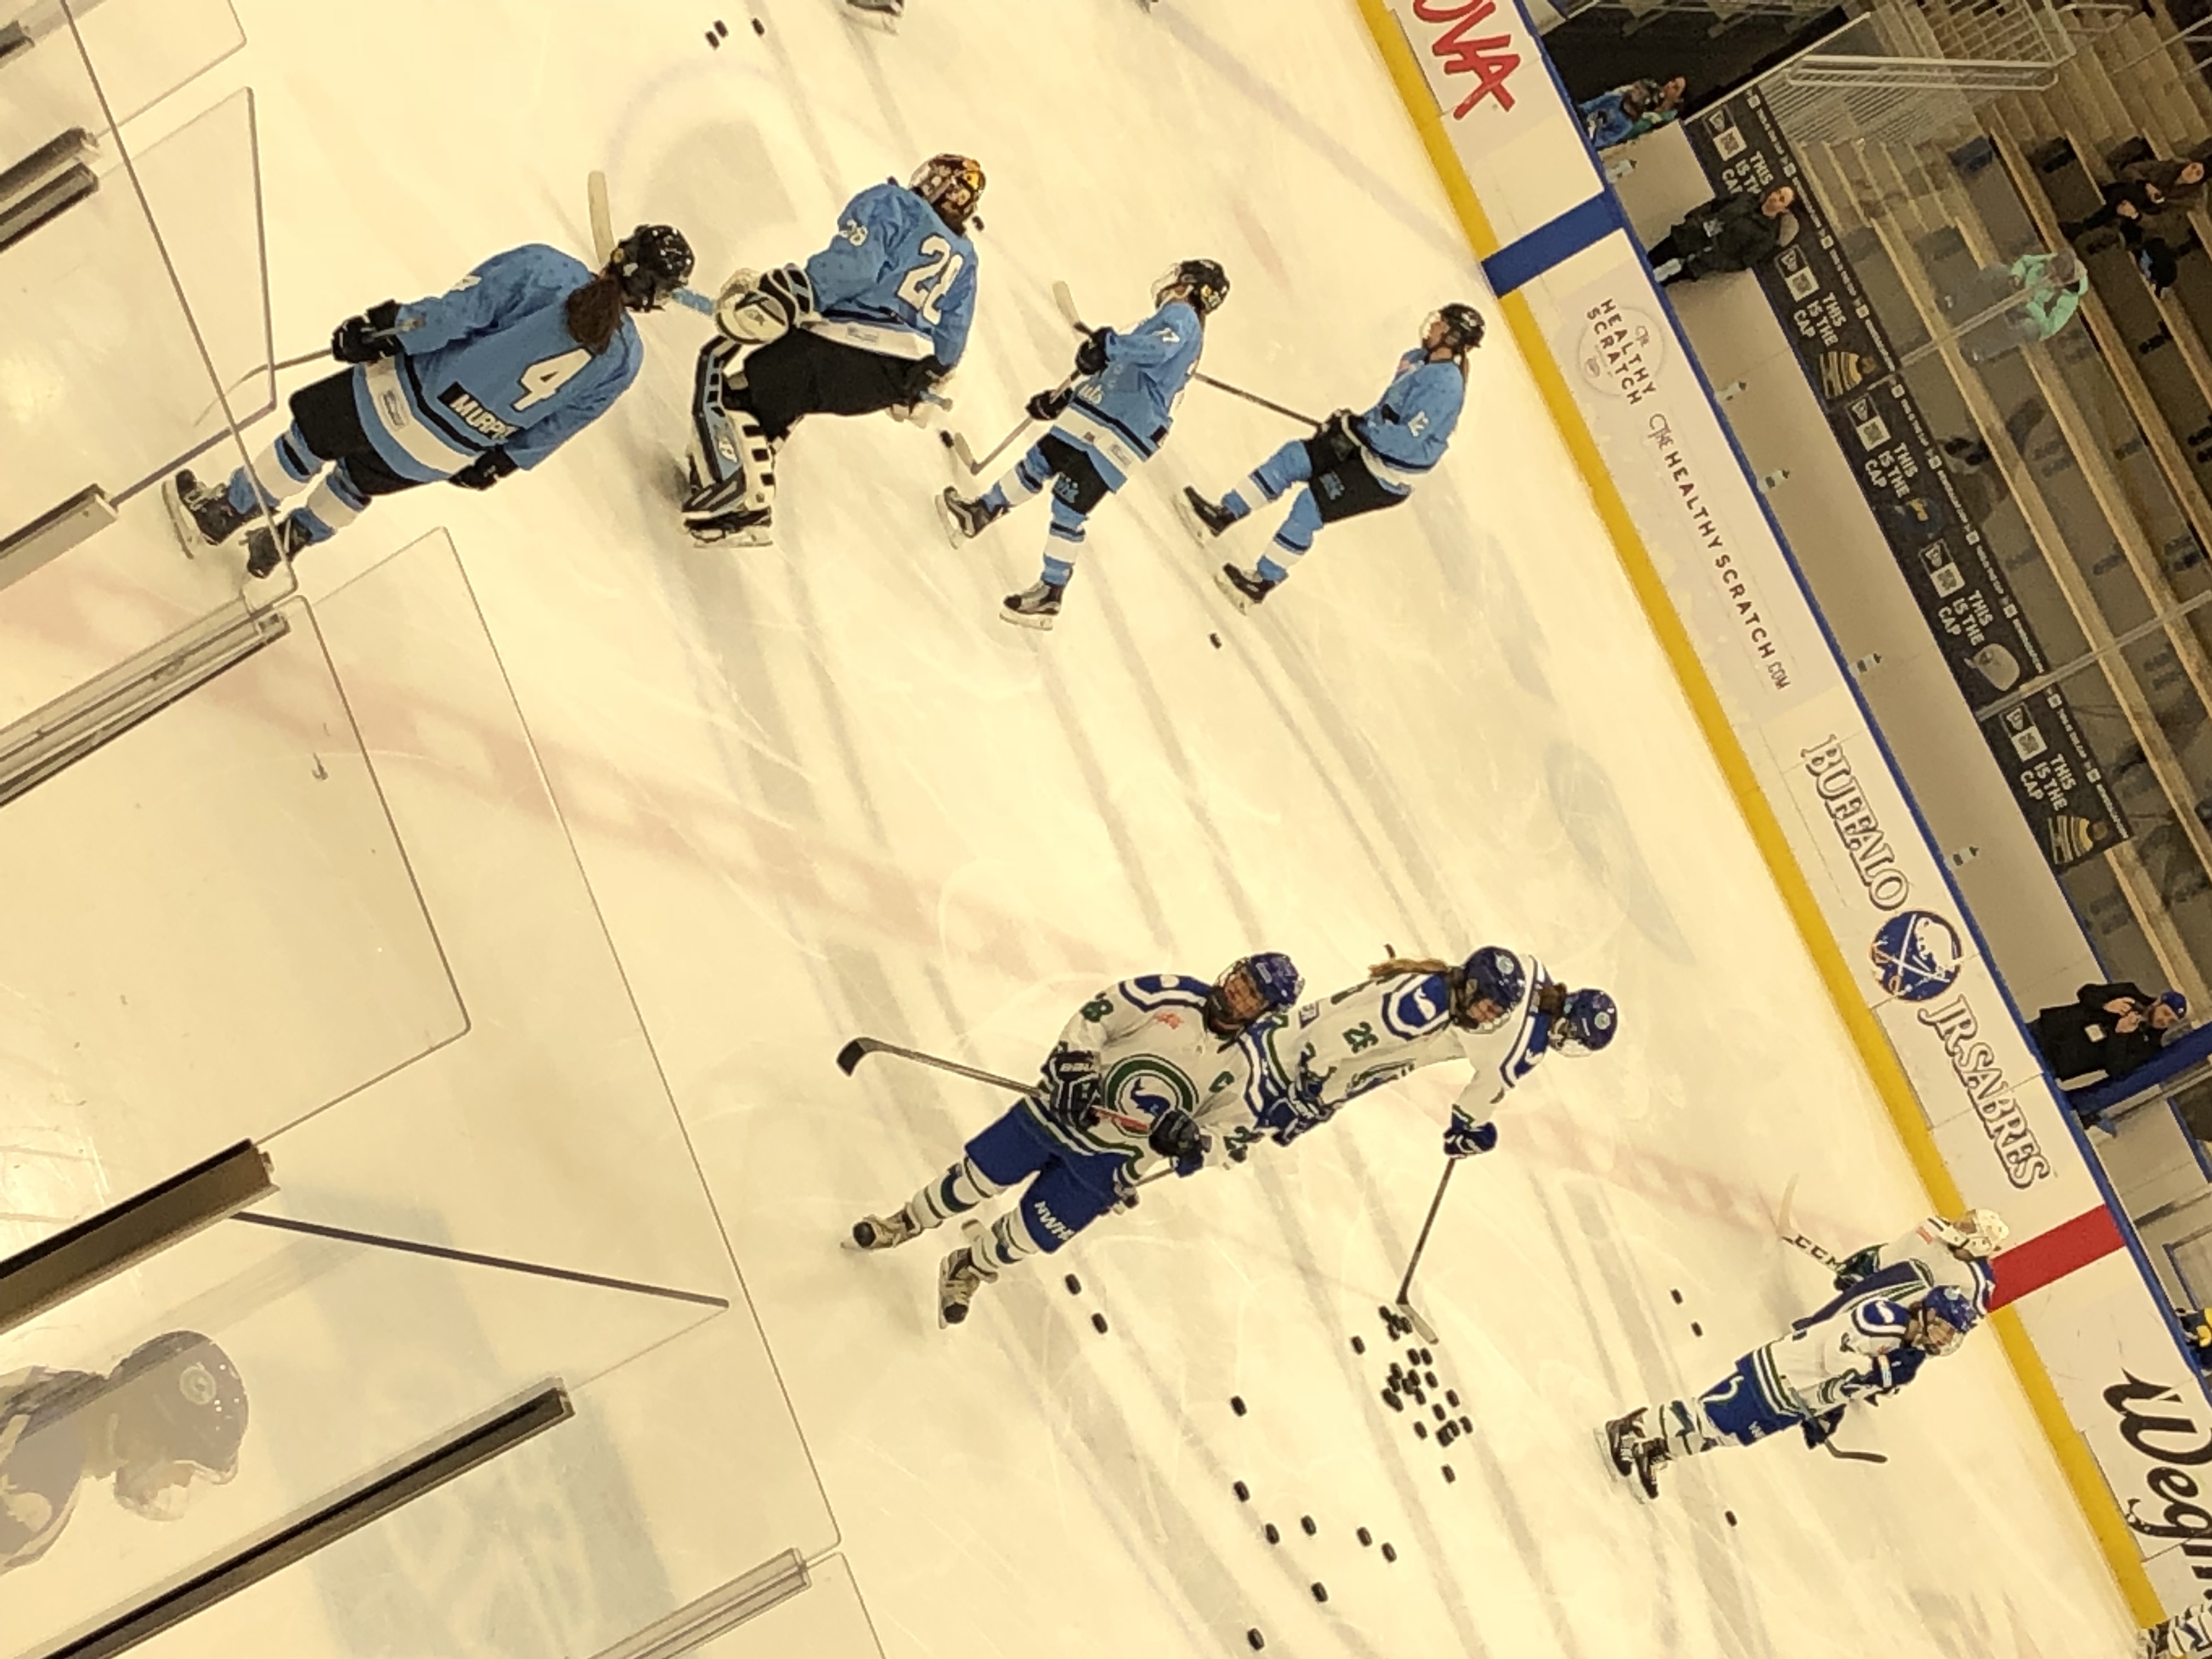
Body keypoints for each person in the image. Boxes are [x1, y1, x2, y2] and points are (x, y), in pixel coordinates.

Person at [164, 227, 695, 578]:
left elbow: (453, 316)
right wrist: (499, 463)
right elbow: (556, 426)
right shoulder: (625, 360)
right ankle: (283, 544)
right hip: (445, 453)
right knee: (356, 483)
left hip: (396, 396)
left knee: (306, 445)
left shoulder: (547, 269)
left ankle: (226, 510)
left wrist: (381, 329)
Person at [847, 954, 1302, 1326]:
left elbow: (1233, 1133)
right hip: (1059, 1112)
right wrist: (1077, 1065)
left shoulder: (1245, 1068)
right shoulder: (1171, 993)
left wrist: (1192, 1140)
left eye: (1253, 994)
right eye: (1243, 979)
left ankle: (968, 1269)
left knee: (1029, 1234)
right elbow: (1097, 1017)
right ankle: (904, 1222)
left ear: (1263, 1013)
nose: (1239, 991)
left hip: (1113, 1161)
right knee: (976, 1178)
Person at [681, 155, 983, 547]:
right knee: (780, 399)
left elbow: (856, 267)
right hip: (893, 376)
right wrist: (922, 382)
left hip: (849, 344)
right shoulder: (965, 256)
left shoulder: (896, 203)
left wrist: (804, 291)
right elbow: (953, 336)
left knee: (738, 395)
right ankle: (730, 474)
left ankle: (744, 505)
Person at [936, 259, 1228, 629]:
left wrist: (1110, 344)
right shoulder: (1174, 320)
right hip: (1105, 408)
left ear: (1189, 286)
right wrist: (1067, 399)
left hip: (1127, 428)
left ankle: (1050, 592)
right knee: (1041, 460)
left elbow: (1154, 351)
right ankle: (981, 511)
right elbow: (1124, 366)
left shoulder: (1183, 317)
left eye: (1179, 278)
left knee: (1070, 503)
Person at [1176, 306, 1483, 610]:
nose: (1432, 326)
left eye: (1441, 324)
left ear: (1453, 337)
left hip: (1387, 474)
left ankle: (1261, 582)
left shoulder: (1446, 387)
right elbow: (1386, 413)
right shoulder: (1417, 359)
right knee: (1295, 457)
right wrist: (1351, 424)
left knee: (1310, 506)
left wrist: (1360, 431)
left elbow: (1406, 442)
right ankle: (1224, 514)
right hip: (1370, 445)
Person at [1603, 1283, 1979, 1498]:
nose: (1944, 1339)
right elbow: (1836, 1356)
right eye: (1945, 1328)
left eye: (1951, 1336)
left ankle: (1657, 1451)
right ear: (1928, 1313)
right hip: (1780, 1374)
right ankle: (1633, 1429)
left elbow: (1851, 1384)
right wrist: (1873, 1371)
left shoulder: (1908, 1352)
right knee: (1710, 1416)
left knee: (1728, 1436)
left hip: (1798, 1399)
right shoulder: (1883, 1318)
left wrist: (1829, 1409)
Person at [1242, 946, 1617, 1158]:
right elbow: (1476, 1102)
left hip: (1436, 1002)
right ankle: (1248, 1113)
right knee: (1345, 1073)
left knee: (1342, 1025)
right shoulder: (1525, 1050)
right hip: (1428, 1034)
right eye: (1575, 1039)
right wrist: (1469, 1132)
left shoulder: (1533, 969)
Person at [1, 1331, 249, 1574]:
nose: (182, 1481)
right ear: (148, 1433)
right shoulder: (40, 1491)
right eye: (186, 1467)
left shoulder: (62, 1388)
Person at [1827, 1208, 2008, 1315]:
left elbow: (1958, 1325)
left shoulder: (1976, 1282)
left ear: (1980, 1242)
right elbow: (1894, 1251)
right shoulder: (1934, 1226)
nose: (1958, 1224)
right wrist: (1864, 1266)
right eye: (1965, 1219)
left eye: (1967, 1226)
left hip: (1890, 1320)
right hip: (1870, 1288)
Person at [2028, 982, 2187, 1084]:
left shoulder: (2150, 1046)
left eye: (2171, 1021)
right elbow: (2086, 992)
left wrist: (2120, 1035)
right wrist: (2107, 1005)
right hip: (2048, 1029)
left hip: (2061, 1061)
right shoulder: (2130, 993)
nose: (2164, 1021)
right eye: (2165, 1013)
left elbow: (2117, 1069)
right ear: (2158, 1002)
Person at [1947, 250, 2087, 364]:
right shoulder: (2050, 260)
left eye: (2053, 277)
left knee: (2027, 327)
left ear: (2064, 282)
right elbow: (2025, 261)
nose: (2047, 274)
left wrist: (2030, 305)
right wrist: (2017, 275)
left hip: (2030, 315)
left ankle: (1979, 353)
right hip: (2017, 290)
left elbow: (2049, 327)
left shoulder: (2068, 300)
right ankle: (1956, 301)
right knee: (1997, 270)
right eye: (2049, 269)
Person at [1646, 185, 1799, 287]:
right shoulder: (1747, 198)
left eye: (1782, 199)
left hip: (1700, 261)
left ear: (1784, 210)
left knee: (1658, 283)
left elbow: (1742, 262)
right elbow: (1715, 205)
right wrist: (1693, 219)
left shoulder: (1767, 236)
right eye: (1778, 192)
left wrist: (1713, 260)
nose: (1775, 197)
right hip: (1688, 236)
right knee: (1649, 259)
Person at [2063, 156, 2208, 247]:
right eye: (2193, 167)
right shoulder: (2170, 167)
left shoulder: (2186, 202)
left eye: (2197, 173)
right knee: (2131, 194)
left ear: (2199, 181)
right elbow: (2131, 169)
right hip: (2130, 193)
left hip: (2141, 218)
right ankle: (2083, 228)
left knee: (2123, 197)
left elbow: (2161, 224)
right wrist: (2145, 184)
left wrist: (2135, 215)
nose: (2191, 172)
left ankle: (2082, 227)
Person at [1579, 76, 1686, 150]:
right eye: (1672, 81)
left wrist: (1591, 137)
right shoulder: (1617, 98)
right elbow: (1592, 105)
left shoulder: (1628, 124)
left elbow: (1607, 140)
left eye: (1676, 88)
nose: (1670, 85)